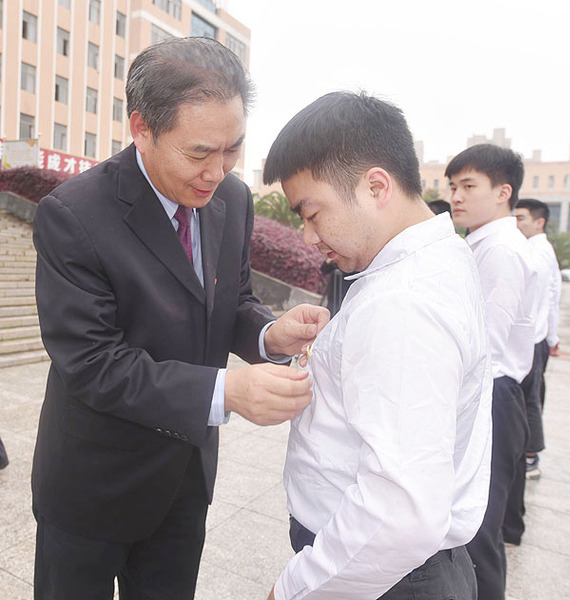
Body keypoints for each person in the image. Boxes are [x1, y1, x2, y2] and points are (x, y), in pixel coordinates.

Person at [32, 37, 328, 600]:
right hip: (93, 486)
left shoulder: (232, 200)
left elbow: (231, 301)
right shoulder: (73, 214)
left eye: (233, 148)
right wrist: (226, 390)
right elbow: (93, 364)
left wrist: (270, 333)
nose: (216, 171)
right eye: (198, 153)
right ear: (142, 128)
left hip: (184, 482)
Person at [262, 91, 492, 600]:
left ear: (375, 186)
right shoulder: (432, 259)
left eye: (312, 213)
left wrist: (297, 588)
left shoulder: (404, 300)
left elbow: (399, 513)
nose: (307, 237)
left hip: (379, 575)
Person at [446, 144, 536, 599]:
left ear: (504, 192)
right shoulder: (480, 243)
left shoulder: (500, 250)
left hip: (493, 394)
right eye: (453, 186)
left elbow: (485, 342)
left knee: (479, 532)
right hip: (485, 390)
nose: (456, 196)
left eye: (468, 186)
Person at [514, 198, 561, 479]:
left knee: (528, 399)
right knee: (529, 397)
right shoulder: (539, 250)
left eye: (521, 218)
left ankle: (530, 456)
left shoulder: (537, 254)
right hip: (536, 338)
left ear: (539, 222)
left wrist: (550, 337)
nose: (516, 223)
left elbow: (542, 300)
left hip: (532, 339)